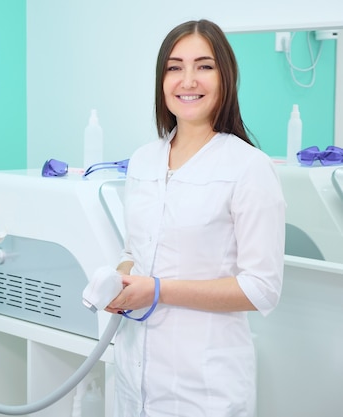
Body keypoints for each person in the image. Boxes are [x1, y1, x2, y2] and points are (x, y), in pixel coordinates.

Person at [105, 19, 286, 417]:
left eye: (204, 66)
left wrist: (157, 290)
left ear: (225, 77)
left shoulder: (248, 168)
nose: (188, 80)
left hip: (204, 387)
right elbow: (134, 248)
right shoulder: (143, 160)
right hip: (134, 379)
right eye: (174, 67)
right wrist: (119, 280)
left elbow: (261, 288)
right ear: (161, 80)